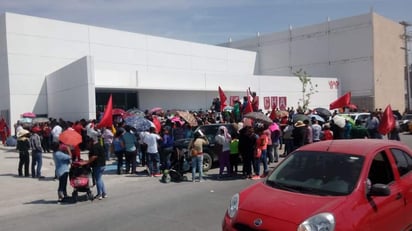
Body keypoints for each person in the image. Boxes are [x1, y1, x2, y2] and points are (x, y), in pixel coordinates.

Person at [82, 134, 107, 200]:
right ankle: (104, 193)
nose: (88, 145)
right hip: (102, 164)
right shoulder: (98, 145)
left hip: (98, 165)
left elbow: (94, 156)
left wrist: (87, 162)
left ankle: (100, 194)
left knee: (98, 179)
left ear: (90, 142)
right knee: (100, 179)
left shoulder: (95, 147)